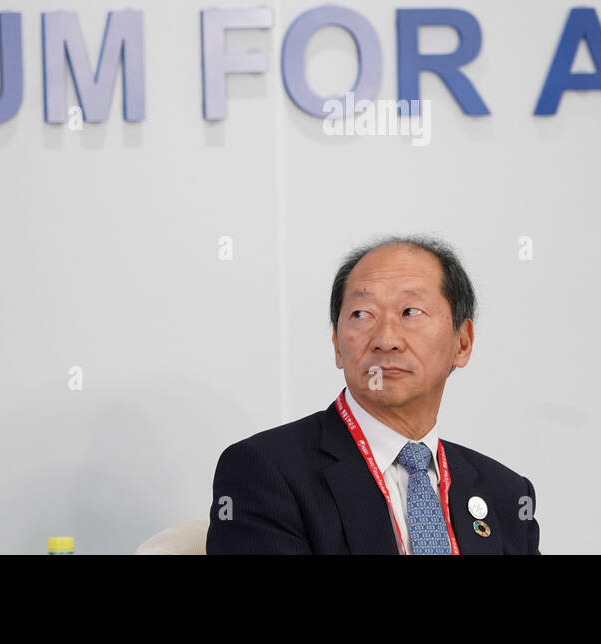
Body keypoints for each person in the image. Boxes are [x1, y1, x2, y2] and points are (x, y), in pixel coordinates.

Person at [206, 235, 540, 554]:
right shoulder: (266, 473)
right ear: (337, 344)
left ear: (463, 342)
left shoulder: (505, 494)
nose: (386, 339)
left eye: (410, 312)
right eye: (362, 314)